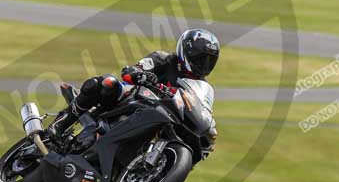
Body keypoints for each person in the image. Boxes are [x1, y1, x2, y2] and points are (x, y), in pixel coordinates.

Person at [49, 28, 220, 148]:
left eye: (208, 60)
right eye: (199, 58)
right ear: (186, 52)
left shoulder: (203, 88)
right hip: (133, 101)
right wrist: (140, 75)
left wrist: (208, 132)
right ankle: (60, 125)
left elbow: (202, 112)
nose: (203, 64)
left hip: (163, 120)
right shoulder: (164, 59)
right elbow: (130, 71)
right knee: (107, 82)